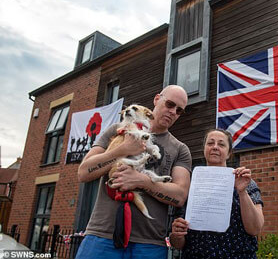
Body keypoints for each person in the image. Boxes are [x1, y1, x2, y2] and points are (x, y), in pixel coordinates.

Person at [76, 85, 192, 259]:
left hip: (150, 243)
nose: (173, 112)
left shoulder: (180, 149)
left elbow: (180, 195)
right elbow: (83, 172)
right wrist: (122, 150)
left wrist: (142, 181)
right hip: (102, 235)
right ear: (156, 99)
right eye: (169, 104)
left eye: (179, 110)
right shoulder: (118, 129)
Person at [170, 129, 264, 259]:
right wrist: (177, 235)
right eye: (210, 143)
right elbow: (178, 244)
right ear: (204, 149)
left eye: (221, 144)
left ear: (229, 153)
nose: (215, 147)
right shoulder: (189, 184)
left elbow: (255, 229)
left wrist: (242, 192)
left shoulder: (245, 182)